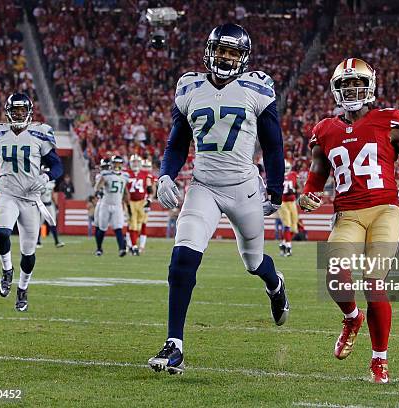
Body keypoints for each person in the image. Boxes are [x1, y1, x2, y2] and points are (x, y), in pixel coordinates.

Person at [148, 23, 289, 375]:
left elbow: (273, 145)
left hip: (244, 188)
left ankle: (276, 285)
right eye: (221, 50)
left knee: (254, 262)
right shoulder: (189, 86)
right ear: (210, 51)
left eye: (233, 52)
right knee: (182, 256)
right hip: (204, 187)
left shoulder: (257, 87)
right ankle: (174, 344)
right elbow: (177, 143)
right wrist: (165, 174)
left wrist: (276, 188)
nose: (226, 57)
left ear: (243, 57)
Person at [298, 58, 399, 383]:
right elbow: (318, 173)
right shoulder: (325, 129)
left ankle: (379, 359)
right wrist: (309, 193)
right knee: (334, 273)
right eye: (345, 84)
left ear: (369, 86)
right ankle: (351, 318)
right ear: (336, 89)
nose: (351, 89)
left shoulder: (389, 120)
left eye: (356, 83)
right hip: (346, 213)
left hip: (383, 211)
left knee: (375, 283)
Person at [0, 92, 63, 311]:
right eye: (14, 111)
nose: (18, 114)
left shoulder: (40, 134)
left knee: (28, 252)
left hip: (31, 199)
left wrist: (45, 177)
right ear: (8, 112)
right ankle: (7, 270)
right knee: (2, 233)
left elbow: (57, 166)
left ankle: (23, 288)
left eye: (22, 111)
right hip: (8, 194)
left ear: (29, 112)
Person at [93, 155, 129, 257]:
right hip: (105, 204)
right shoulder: (106, 174)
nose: (117, 165)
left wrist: (128, 203)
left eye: (119, 163)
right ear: (112, 164)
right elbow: (97, 187)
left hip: (117, 205)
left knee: (118, 227)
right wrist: (98, 191)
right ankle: (99, 248)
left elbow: (125, 191)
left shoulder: (125, 176)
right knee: (102, 228)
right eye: (115, 163)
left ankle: (122, 249)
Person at [126, 154, 152, 255]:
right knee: (132, 224)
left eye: (137, 162)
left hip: (142, 202)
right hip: (130, 202)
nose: (135, 164)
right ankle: (134, 246)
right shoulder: (126, 173)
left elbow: (150, 189)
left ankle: (135, 246)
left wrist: (149, 200)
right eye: (134, 162)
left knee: (140, 224)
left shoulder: (145, 174)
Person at [36, 165, 65, 248]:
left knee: (53, 222)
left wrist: (56, 204)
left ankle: (57, 242)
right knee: (38, 224)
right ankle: (38, 242)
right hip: (41, 204)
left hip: (49, 203)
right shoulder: (39, 181)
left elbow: (52, 193)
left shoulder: (52, 182)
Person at [278, 160, 299, 256]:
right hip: (282, 202)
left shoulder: (294, 175)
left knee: (294, 227)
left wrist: (294, 191)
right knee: (287, 224)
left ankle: (283, 243)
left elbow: (297, 187)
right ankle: (288, 246)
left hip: (292, 202)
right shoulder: (278, 176)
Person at [139, 159, 156, 252]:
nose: (145, 169)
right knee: (133, 224)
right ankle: (130, 245)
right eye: (144, 166)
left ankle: (141, 246)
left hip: (144, 202)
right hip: (135, 201)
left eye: (147, 167)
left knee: (143, 224)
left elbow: (153, 190)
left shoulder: (150, 177)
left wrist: (149, 200)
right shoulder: (137, 175)